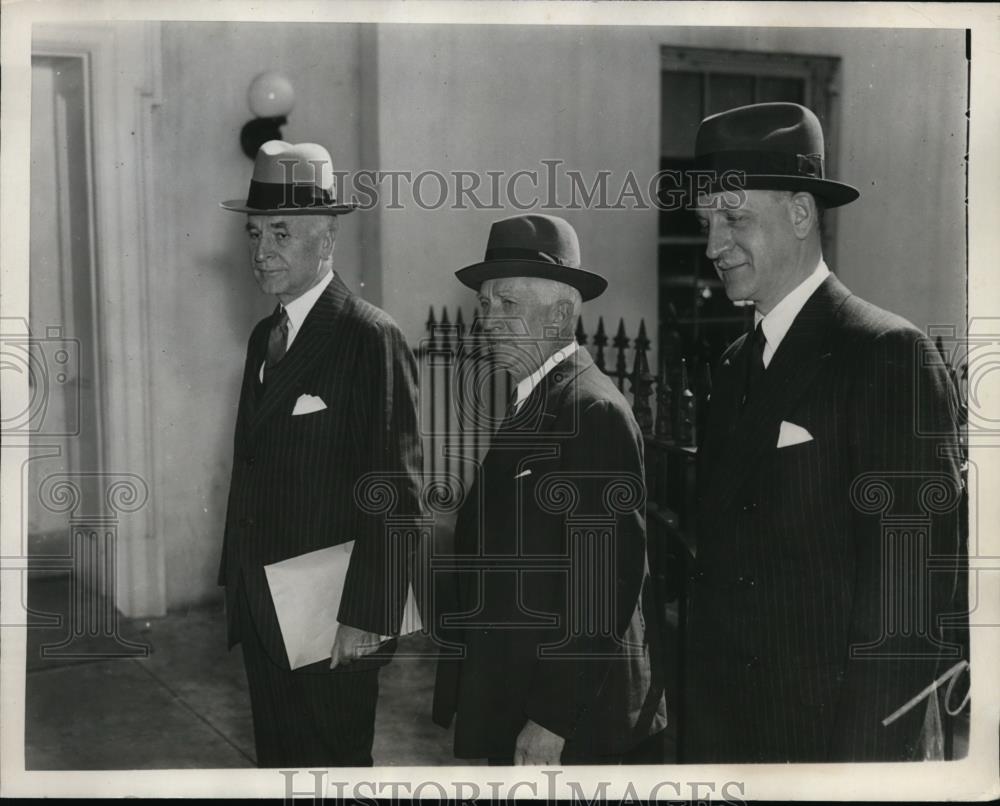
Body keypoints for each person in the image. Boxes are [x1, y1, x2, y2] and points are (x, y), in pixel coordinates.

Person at [685, 102, 964, 762]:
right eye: (705, 223)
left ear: (801, 214)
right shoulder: (731, 370)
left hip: (828, 750)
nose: (712, 246)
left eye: (733, 217)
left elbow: (910, 609)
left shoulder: (886, 354)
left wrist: (855, 771)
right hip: (732, 743)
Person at [431, 213, 667, 765]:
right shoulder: (537, 398)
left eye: (507, 305)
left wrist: (552, 720)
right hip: (523, 697)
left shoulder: (592, 411)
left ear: (561, 314)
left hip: (574, 724)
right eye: (483, 305)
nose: (487, 321)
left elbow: (605, 584)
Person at [217, 140, 422, 767]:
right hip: (260, 604)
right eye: (254, 235)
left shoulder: (368, 336)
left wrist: (368, 615)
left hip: (331, 615)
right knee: (279, 766)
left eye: (281, 233)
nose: (261, 252)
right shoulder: (263, 337)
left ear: (326, 239)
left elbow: (396, 491)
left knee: (332, 770)